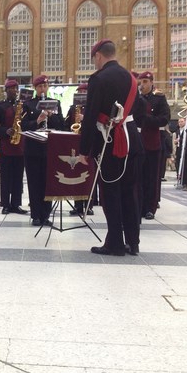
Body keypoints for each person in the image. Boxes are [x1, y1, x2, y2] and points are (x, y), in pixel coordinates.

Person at [79, 39, 145, 256]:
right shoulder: (132, 79)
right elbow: (141, 109)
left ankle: (115, 242)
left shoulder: (99, 79)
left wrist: (84, 151)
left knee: (110, 193)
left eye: (94, 59)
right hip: (132, 139)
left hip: (110, 142)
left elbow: (90, 117)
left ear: (98, 55)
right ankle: (133, 242)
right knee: (130, 192)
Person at [20, 75, 66, 226]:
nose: (43, 89)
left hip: (49, 148)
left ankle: (46, 215)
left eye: (45, 86)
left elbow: (61, 126)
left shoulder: (56, 103)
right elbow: (24, 125)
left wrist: (52, 117)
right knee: (34, 183)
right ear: (35, 88)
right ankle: (36, 215)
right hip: (33, 148)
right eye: (40, 86)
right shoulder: (28, 104)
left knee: (48, 183)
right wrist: (38, 121)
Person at [0, 79, 27, 215]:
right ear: (6, 90)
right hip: (6, 145)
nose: (15, 91)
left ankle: (16, 204)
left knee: (18, 177)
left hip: (20, 145)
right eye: (12, 89)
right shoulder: (0, 106)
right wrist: (5, 131)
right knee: (5, 177)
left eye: (16, 89)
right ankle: (5, 204)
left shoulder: (22, 105)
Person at [137, 71, 170, 220]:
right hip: (136, 140)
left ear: (151, 82)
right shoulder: (135, 98)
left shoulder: (159, 98)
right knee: (138, 176)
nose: (142, 85)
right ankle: (138, 205)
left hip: (152, 141)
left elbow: (164, 119)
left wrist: (147, 120)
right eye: (140, 81)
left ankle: (150, 207)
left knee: (152, 177)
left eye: (145, 81)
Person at [64, 83, 94, 215]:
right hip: (75, 145)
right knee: (75, 174)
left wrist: (84, 118)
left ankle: (88, 205)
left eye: (84, 92)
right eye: (79, 92)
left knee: (88, 176)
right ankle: (77, 205)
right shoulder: (72, 109)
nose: (81, 94)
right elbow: (66, 125)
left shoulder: (92, 108)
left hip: (89, 144)